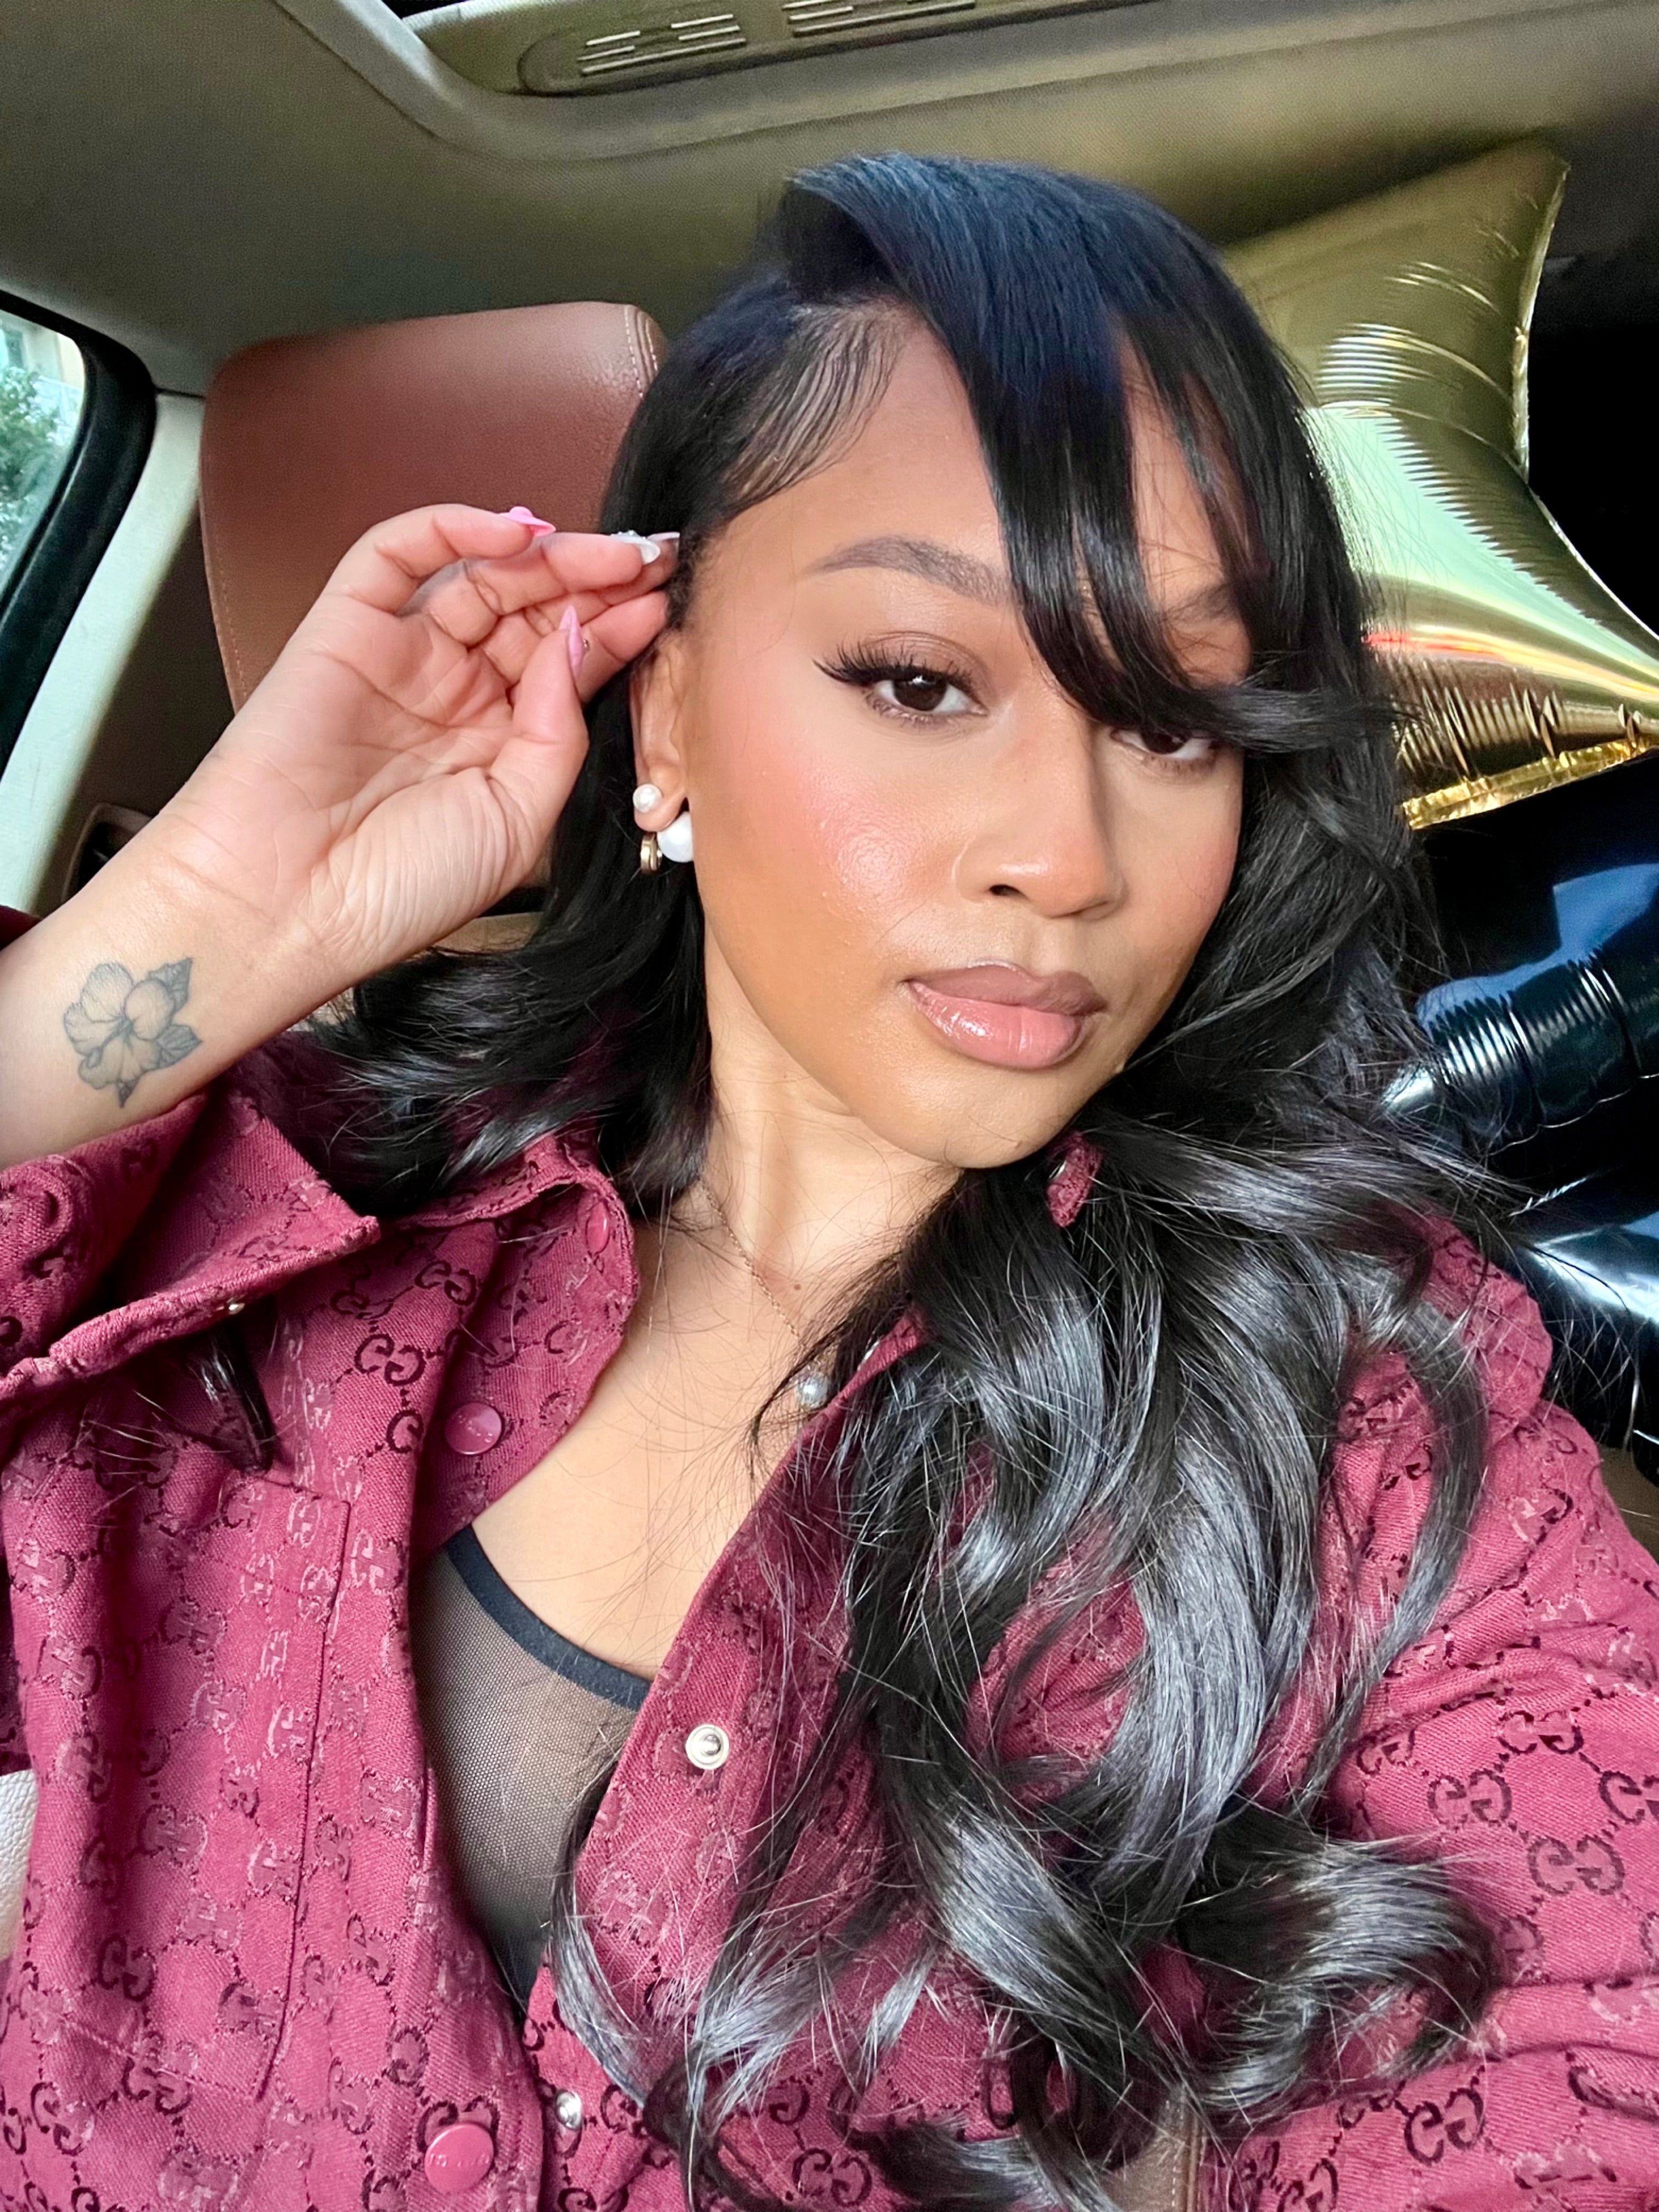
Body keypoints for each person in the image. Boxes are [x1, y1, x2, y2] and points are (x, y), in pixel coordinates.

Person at [0, 151, 1654, 2212]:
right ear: (669, 706)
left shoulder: (1360, 1400)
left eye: (1175, 724)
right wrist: (210, 913)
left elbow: (1586, 2043)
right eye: (920, 681)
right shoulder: (280, 1215)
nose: (1067, 855)